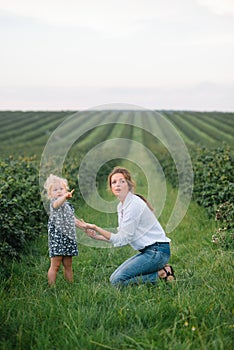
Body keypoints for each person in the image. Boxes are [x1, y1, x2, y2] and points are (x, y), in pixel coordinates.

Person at [80, 166, 175, 287]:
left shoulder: (134, 205)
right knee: (113, 278)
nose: (117, 184)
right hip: (150, 251)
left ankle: (162, 273)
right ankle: (161, 270)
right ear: (111, 188)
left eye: (122, 181)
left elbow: (124, 239)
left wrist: (96, 227)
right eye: (114, 182)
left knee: (117, 281)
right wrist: (97, 236)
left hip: (157, 252)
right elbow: (121, 235)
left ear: (129, 185)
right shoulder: (122, 206)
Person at [44, 174, 84, 286]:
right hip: (57, 239)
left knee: (68, 264)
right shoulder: (54, 204)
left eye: (61, 189)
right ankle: (52, 287)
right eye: (55, 190)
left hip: (68, 238)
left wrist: (85, 227)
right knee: (55, 265)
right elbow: (58, 203)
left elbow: (73, 220)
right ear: (50, 194)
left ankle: (70, 285)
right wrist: (64, 197)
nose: (59, 191)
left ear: (66, 190)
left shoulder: (68, 206)